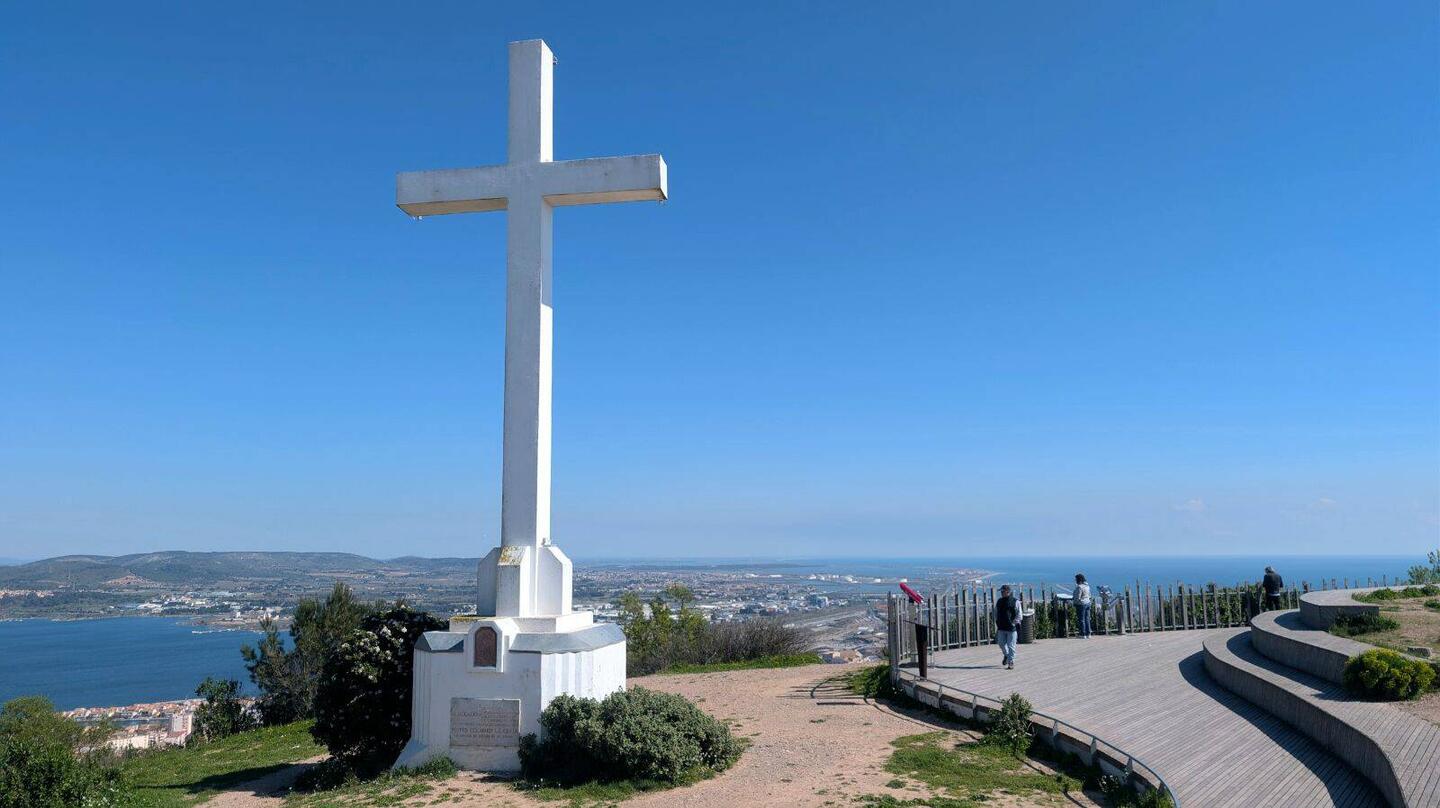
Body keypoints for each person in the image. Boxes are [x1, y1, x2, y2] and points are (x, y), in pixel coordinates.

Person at [995, 584, 1020, 669]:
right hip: (1001, 627)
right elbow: (996, 612)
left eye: (1002, 591)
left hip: (1011, 628)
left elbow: (1019, 614)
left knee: (1011, 646)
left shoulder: (1015, 601)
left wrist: (1014, 623)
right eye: (1001, 591)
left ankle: (1011, 661)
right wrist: (996, 621)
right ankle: (1006, 655)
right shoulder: (999, 601)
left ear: (1007, 592)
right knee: (1001, 643)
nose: (1001, 593)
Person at [1074, 574, 1093, 638]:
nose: (1075, 580)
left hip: (1081, 604)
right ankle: (1088, 633)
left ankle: (1083, 634)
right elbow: (1089, 595)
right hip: (1087, 603)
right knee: (1087, 619)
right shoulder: (1087, 586)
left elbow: (1077, 597)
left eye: (1076, 579)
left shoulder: (1079, 587)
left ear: (1078, 579)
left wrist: (1075, 603)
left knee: (1081, 619)